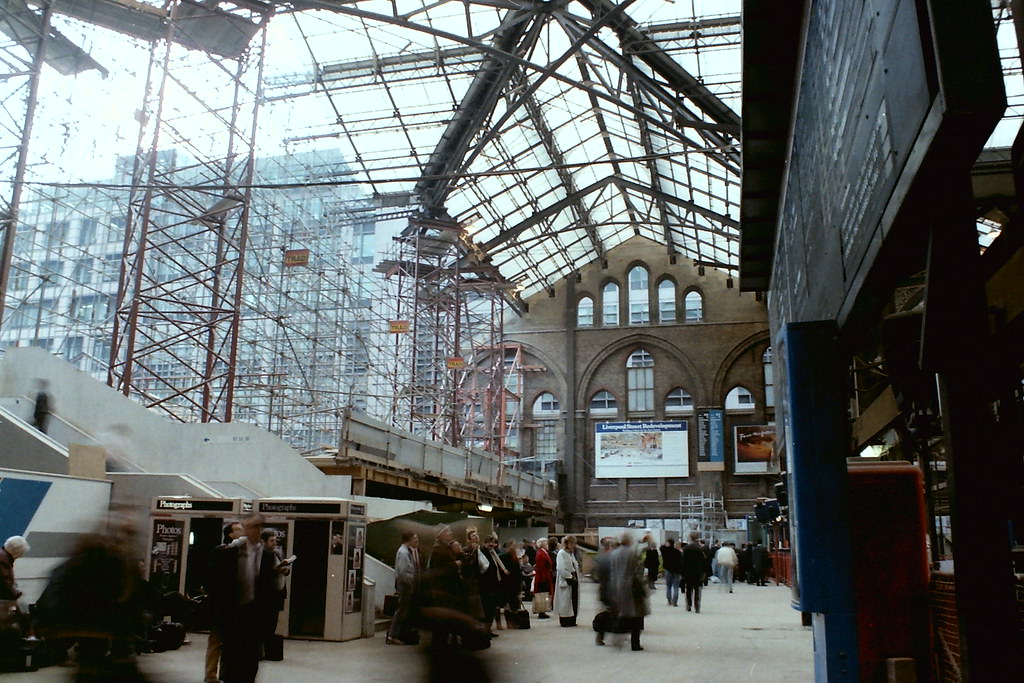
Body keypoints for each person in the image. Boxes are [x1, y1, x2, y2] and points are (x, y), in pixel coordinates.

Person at [208, 513, 280, 683]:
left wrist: (267, 622)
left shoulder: (268, 557)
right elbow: (217, 585)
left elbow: (271, 591)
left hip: (254, 617)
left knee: (250, 662)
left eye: (254, 527)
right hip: (232, 615)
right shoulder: (228, 554)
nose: (249, 531)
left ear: (260, 530)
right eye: (246, 527)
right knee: (231, 660)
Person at [205, 520, 242, 683]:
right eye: (238, 530)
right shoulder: (222, 552)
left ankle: (226, 673)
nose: (243, 532)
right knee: (216, 640)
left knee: (231, 642)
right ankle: (210, 674)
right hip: (222, 604)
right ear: (230, 534)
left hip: (235, 604)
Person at [608, 532, 649, 651]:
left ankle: (617, 637)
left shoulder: (614, 553)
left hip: (618, 587)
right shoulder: (632, 553)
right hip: (631, 587)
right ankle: (635, 643)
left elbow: (612, 572)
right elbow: (637, 571)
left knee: (622, 614)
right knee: (637, 616)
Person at [258, 529, 289, 660]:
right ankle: (261, 650)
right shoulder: (262, 555)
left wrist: (284, 570)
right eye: (271, 541)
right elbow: (262, 574)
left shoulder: (276, 553)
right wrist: (276, 570)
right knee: (264, 622)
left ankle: (267, 649)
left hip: (277, 593)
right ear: (263, 541)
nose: (274, 543)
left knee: (272, 623)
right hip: (266, 594)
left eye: (275, 540)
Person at [387, 530, 421, 645]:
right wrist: (411, 581)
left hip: (406, 584)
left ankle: (397, 634)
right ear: (410, 539)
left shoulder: (407, 552)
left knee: (403, 610)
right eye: (415, 538)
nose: (417, 540)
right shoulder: (403, 553)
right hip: (405, 585)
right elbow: (402, 572)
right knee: (401, 611)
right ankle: (393, 635)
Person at [591, 536, 616, 646]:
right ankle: (603, 634)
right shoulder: (611, 558)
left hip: (604, 589)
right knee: (609, 614)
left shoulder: (602, 557)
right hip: (611, 590)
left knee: (605, 613)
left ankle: (600, 635)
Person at [554, 535, 580, 627]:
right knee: (565, 602)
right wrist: (569, 577)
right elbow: (561, 568)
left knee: (572, 601)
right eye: (571, 543)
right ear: (566, 543)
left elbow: (574, 565)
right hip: (566, 580)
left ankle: (572, 619)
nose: (573, 545)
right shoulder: (561, 553)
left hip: (573, 580)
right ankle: (565, 621)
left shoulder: (570, 553)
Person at [681, 531, 706, 613]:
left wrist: (682, 572)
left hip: (688, 572)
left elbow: (683, 562)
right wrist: (704, 572)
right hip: (698, 572)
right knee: (697, 589)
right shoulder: (700, 548)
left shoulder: (686, 549)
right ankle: (697, 606)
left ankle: (688, 605)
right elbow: (703, 561)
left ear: (690, 538)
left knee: (688, 589)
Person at [0, 536, 28, 601]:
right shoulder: (4, 562)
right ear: (16, 553)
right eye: (21, 554)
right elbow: (5, 584)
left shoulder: (3, 556)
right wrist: (15, 593)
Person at [531, 537, 553, 619]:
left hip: (545, 576)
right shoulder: (540, 554)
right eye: (546, 543)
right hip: (542, 577)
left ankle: (543, 610)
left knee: (544, 594)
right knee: (541, 594)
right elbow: (541, 567)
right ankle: (541, 611)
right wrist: (544, 578)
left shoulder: (544, 552)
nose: (547, 545)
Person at [659, 538, 683, 606]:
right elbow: (681, 562)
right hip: (677, 571)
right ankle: (674, 602)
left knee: (668, 586)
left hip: (668, 570)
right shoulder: (678, 552)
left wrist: (666, 544)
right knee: (676, 587)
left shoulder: (665, 551)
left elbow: (661, 547)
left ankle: (669, 601)